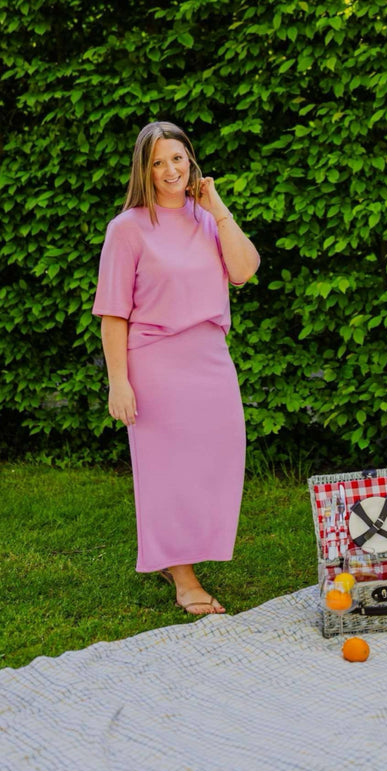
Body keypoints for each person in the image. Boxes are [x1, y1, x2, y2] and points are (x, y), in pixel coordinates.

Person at [92, 121, 259, 614]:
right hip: (156, 363)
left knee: (216, 462)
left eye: (178, 158)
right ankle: (182, 575)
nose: (170, 170)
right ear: (144, 170)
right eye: (158, 162)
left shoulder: (207, 219)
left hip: (210, 358)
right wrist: (118, 382)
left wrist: (218, 208)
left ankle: (179, 552)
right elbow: (113, 314)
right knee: (167, 472)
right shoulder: (126, 228)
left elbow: (244, 270)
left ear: (191, 161)